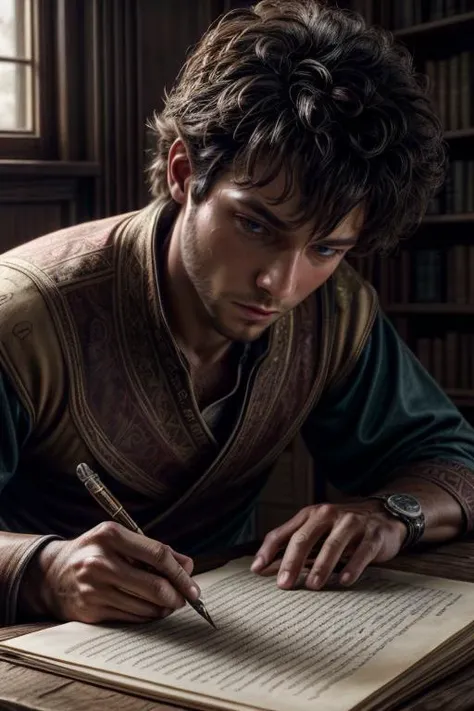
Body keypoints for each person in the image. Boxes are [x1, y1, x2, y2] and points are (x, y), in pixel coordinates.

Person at [1, 0, 473, 628]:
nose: (281, 282)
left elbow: (451, 458)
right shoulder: (22, 317)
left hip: (238, 642)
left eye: (327, 247)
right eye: (256, 224)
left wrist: (392, 514)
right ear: (182, 172)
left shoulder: (335, 308)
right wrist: (41, 570)